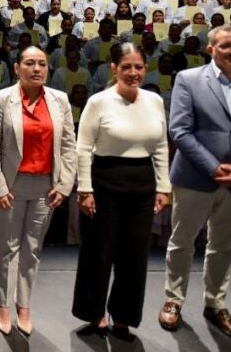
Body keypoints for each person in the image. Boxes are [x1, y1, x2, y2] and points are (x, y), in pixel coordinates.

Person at [72, 43, 171, 341]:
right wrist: (85, 188)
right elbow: (83, 147)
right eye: (126, 67)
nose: (133, 72)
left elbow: (161, 146)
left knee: (135, 255)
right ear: (114, 69)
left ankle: (124, 316)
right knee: (99, 253)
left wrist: (163, 186)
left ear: (146, 68)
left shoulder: (154, 101)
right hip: (104, 182)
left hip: (142, 184)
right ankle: (95, 312)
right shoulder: (98, 101)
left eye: (138, 67)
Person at [0, 46, 78, 336]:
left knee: (32, 249)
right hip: (11, 184)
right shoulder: (1, 99)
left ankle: (24, 305)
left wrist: (64, 185)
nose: (37, 69)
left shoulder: (59, 100)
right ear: (16, 68)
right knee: (7, 249)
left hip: (46, 186)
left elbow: (69, 147)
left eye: (42, 64)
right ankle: (2, 305)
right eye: (30, 63)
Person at [160, 25, 231, 340]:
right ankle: (173, 299)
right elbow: (180, 131)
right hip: (196, 177)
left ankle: (215, 304)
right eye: (226, 46)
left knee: (222, 246)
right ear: (211, 49)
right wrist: (213, 168)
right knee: (182, 242)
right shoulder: (189, 79)